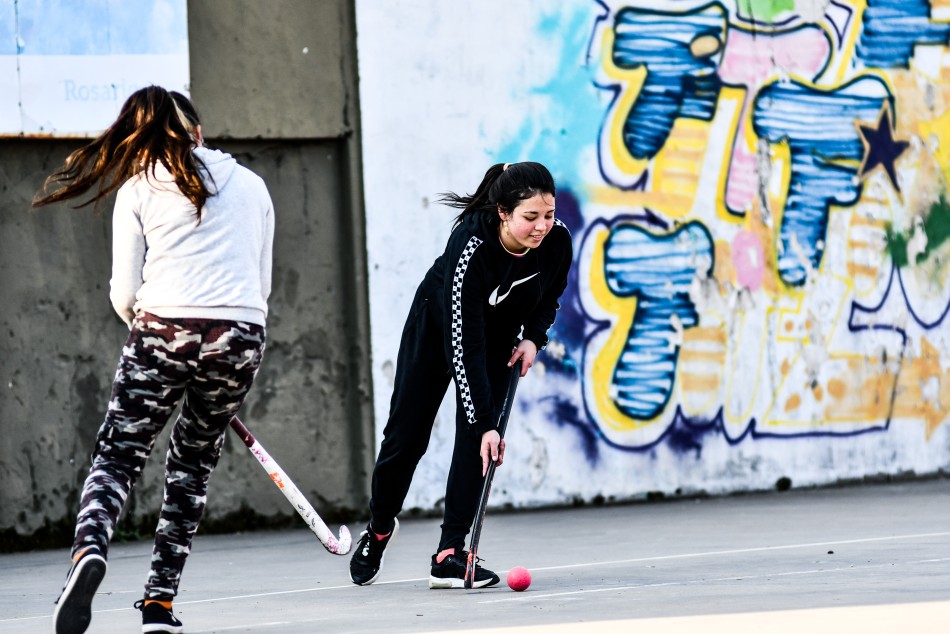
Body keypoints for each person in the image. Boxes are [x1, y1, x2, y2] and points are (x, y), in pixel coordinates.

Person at [33, 86, 274, 634]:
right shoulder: (253, 185)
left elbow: (124, 293)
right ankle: (159, 604)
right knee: (191, 467)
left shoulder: (139, 188)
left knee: (118, 455)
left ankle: (89, 552)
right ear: (197, 129)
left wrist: (161, 338)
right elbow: (259, 287)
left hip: (162, 327)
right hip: (239, 336)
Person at [349, 162, 572, 589]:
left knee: (478, 445)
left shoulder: (558, 240)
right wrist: (486, 422)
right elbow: (464, 342)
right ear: (503, 212)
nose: (542, 226)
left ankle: (450, 554)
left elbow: (551, 291)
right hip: (440, 328)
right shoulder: (471, 244)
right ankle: (378, 529)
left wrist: (533, 339)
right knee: (405, 438)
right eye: (530, 217)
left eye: (548, 214)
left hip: (498, 338)